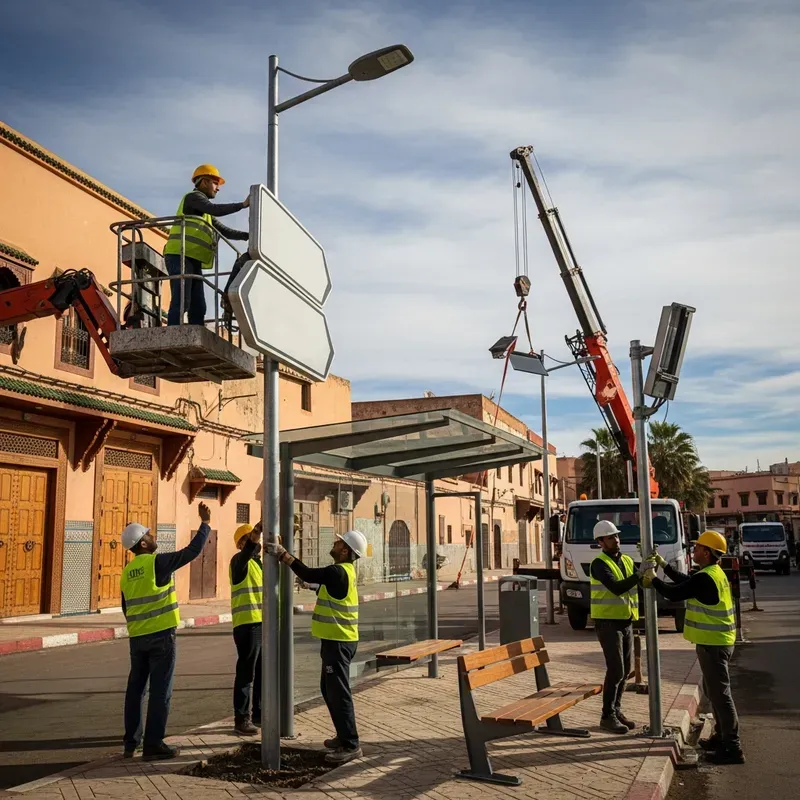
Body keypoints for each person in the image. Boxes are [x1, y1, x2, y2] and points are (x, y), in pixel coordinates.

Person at [119, 503, 212, 760]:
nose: (153, 537)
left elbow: (126, 607)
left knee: (136, 690)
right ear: (144, 544)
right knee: (161, 691)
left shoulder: (127, 572)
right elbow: (191, 552)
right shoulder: (157, 563)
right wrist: (205, 524)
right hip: (161, 637)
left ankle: (130, 743)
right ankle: (153, 745)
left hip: (137, 639)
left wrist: (140, 626)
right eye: (149, 535)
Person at [268, 530, 368, 765]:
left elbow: (309, 572)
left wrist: (284, 555)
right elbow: (325, 586)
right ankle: (343, 736)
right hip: (338, 641)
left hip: (339, 642)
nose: (334, 543)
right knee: (328, 688)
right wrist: (310, 585)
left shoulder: (337, 571)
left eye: (339, 542)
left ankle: (351, 744)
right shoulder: (344, 572)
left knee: (338, 692)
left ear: (345, 550)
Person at [643, 531, 744, 765]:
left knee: (721, 695)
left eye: (698, 547)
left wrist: (653, 580)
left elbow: (676, 592)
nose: (694, 550)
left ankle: (733, 746)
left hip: (714, 644)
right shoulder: (711, 573)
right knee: (714, 692)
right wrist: (662, 565)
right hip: (716, 642)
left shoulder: (706, 577)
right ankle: (721, 737)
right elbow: (685, 582)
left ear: (707, 552)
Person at [163, 164, 250, 326]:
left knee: (199, 306)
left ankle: (195, 333)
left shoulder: (204, 212)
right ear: (203, 182)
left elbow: (225, 231)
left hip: (192, 258)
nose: (218, 189)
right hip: (179, 255)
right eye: (215, 183)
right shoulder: (193, 198)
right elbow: (214, 209)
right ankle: (173, 331)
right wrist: (242, 205)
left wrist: (249, 237)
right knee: (182, 300)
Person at [589, 519, 639, 734]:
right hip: (607, 623)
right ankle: (607, 715)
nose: (616, 540)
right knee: (616, 669)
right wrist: (639, 574)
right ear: (601, 542)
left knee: (626, 670)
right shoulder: (599, 564)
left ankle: (616, 710)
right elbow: (617, 588)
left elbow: (638, 582)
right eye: (610, 538)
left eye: (616, 536)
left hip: (626, 620)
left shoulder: (626, 560)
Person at [229, 521, 263, 736]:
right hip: (247, 624)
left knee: (262, 672)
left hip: (260, 623)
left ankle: (259, 713)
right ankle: (241, 718)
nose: (255, 541)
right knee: (246, 673)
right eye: (250, 538)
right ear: (242, 543)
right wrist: (257, 533)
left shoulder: (258, 563)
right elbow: (247, 554)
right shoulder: (238, 561)